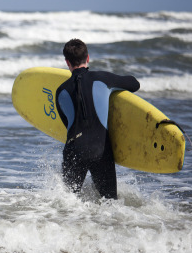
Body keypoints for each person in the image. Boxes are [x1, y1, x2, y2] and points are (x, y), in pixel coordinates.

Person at [55, 39, 140, 199]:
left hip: (74, 150)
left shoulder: (61, 91)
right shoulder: (103, 79)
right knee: (109, 203)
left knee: (67, 203)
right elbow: (134, 84)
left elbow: (66, 123)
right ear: (87, 58)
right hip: (100, 150)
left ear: (67, 62)